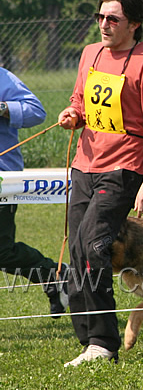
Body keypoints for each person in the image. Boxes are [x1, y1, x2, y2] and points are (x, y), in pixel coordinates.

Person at [58, 0, 143, 366]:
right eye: (100, 17)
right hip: (85, 165)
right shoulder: (90, 54)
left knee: (94, 245)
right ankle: (89, 340)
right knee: (77, 248)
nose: (103, 25)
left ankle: (104, 344)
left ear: (134, 24)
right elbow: (81, 99)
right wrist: (73, 113)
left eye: (113, 19)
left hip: (124, 168)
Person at [0, 68, 68, 318]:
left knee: (2, 251)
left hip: (2, 177)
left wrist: (2, 108)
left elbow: (36, 111)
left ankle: (56, 275)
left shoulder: (2, 78)